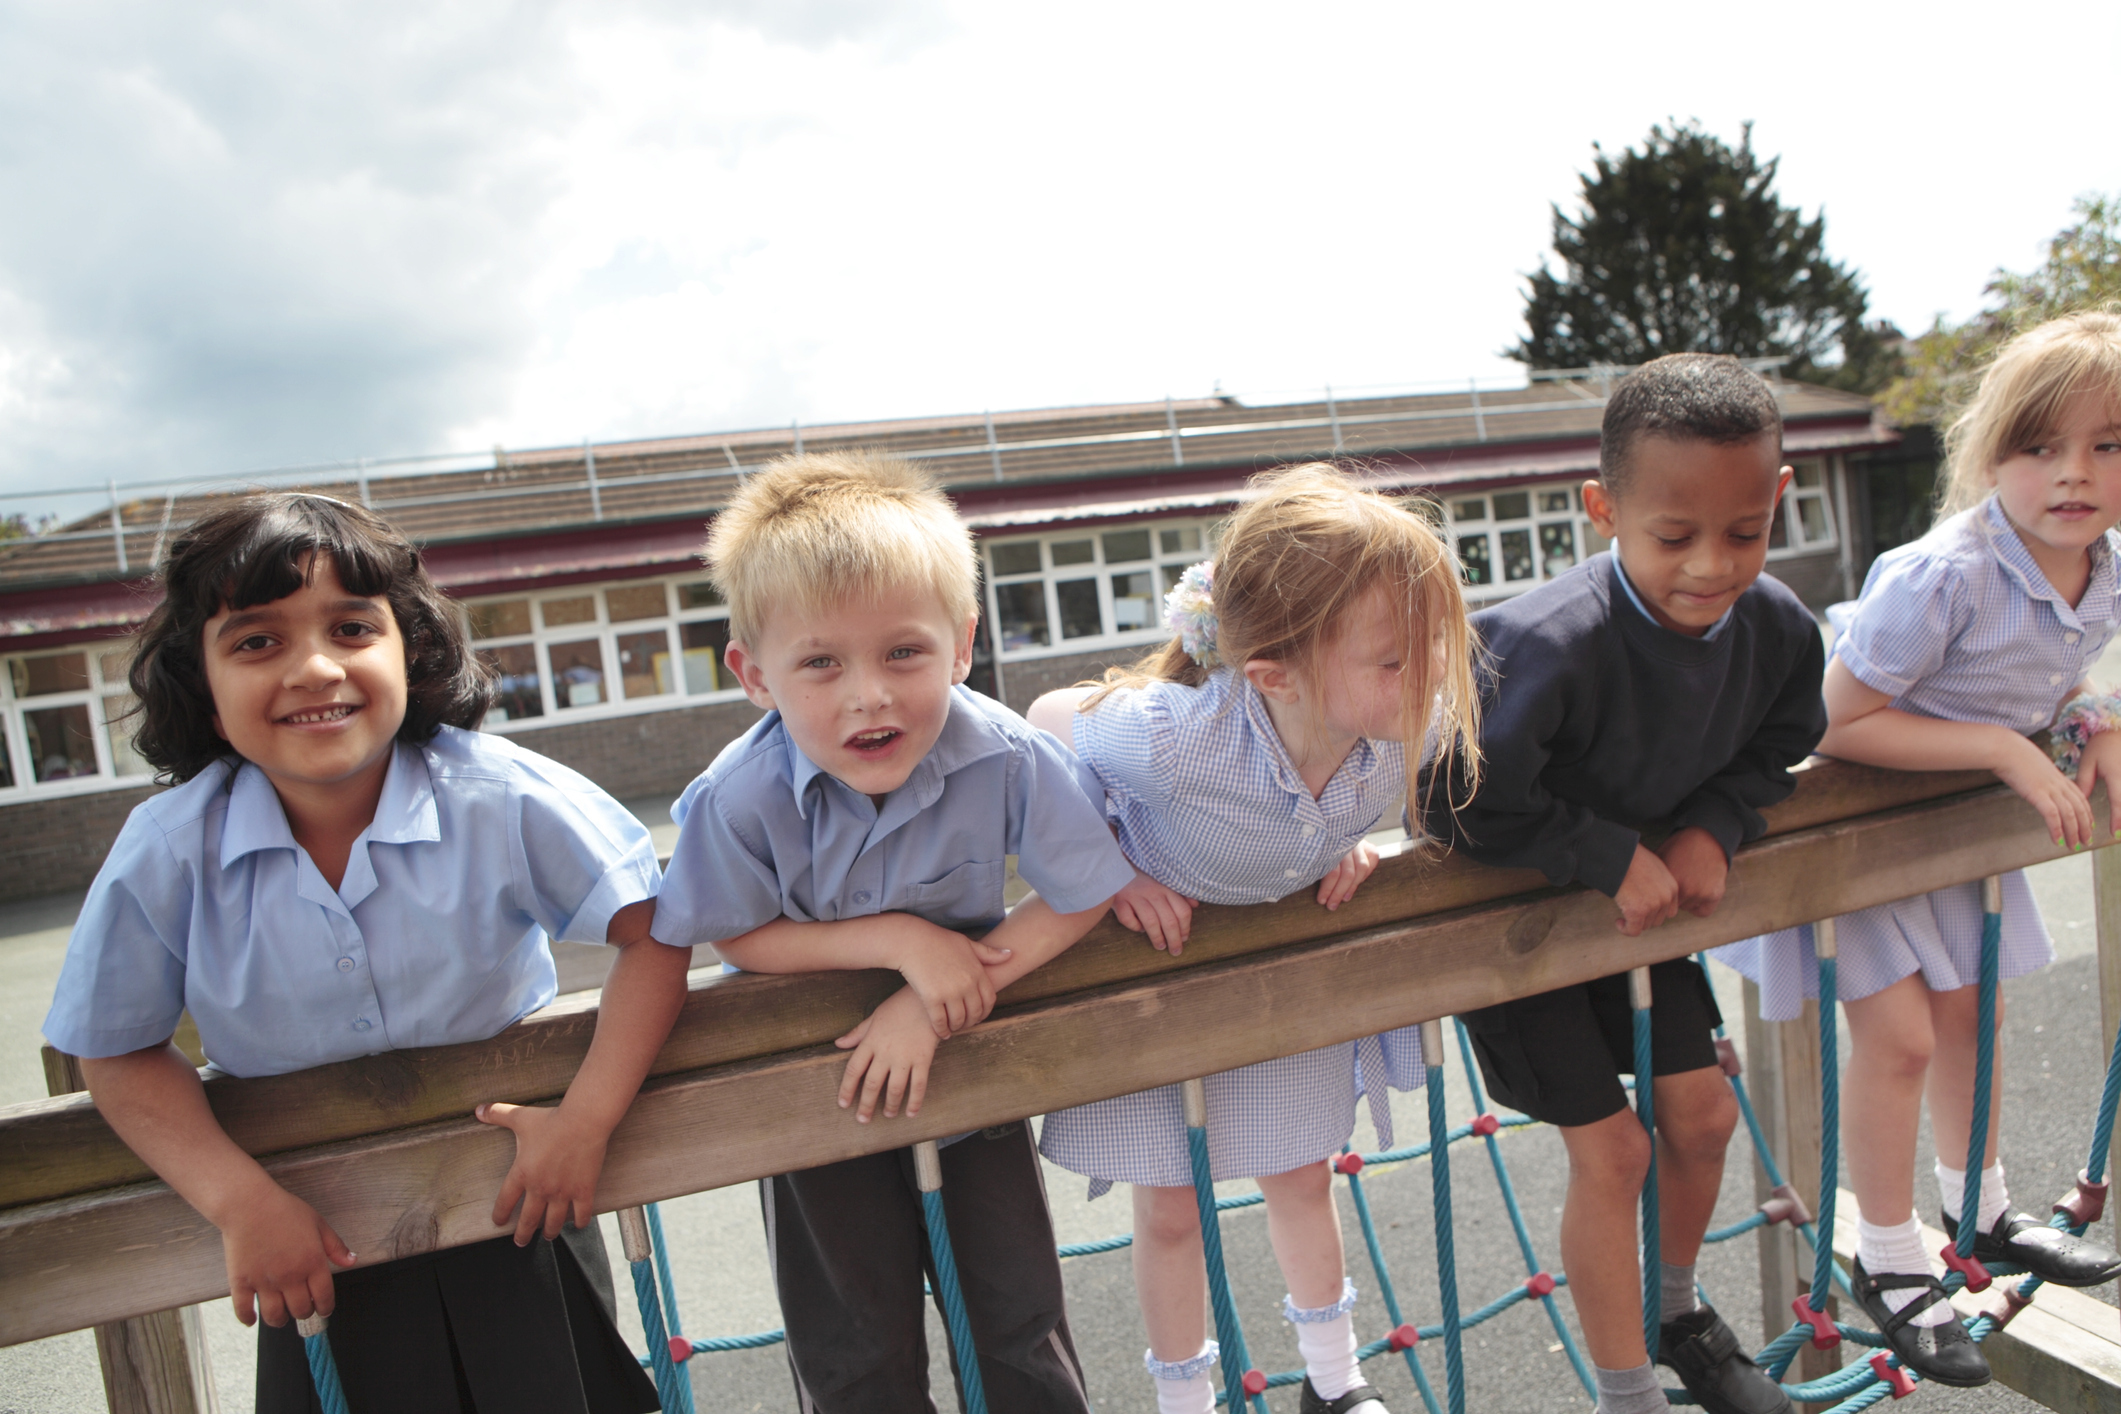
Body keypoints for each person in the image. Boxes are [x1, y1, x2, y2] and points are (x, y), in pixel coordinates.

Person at [41, 493, 689, 1414]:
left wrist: (583, 1122)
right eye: (256, 642)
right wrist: (240, 1203)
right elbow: (113, 1044)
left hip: (516, 1210)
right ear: (204, 687)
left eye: (350, 628)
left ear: (410, 649)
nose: (313, 668)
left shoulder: (497, 793)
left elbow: (655, 929)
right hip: (309, 1238)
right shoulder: (169, 848)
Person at [650, 450, 1136, 1413]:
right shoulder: (736, 798)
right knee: (853, 1348)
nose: (868, 694)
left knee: (1016, 1321)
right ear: (753, 674)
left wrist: (939, 997)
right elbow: (739, 937)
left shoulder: (1002, 754)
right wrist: (900, 942)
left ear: (960, 646)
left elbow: (1081, 892)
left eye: (902, 653)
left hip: (966, 1063)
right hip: (817, 1089)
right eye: (821, 663)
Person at [1717, 310, 2121, 1386]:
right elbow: (1830, 721)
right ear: (1994, 454)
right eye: (2041, 446)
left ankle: (1981, 1214)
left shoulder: (2108, 568)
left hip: (1948, 827)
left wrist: (2097, 720)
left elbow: (2054, 667)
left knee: (1970, 1020)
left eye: (2107, 445)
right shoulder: (1945, 572)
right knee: (1896, 1040)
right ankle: (1889, 1258)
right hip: (1856, 817)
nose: (2073, 474)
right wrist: (2000, 746)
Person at [1030, 465, 1481, 1414]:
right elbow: (1042, 721)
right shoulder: (1173, 738)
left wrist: (1354, 839)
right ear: (1272, 676)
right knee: (1172, 1203)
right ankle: (1182, 1400)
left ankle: (1333, 1381)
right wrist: (1110, 873)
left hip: (1266, 969)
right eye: (1398, 657)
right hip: (1160, 967)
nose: (1433, 672)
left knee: (1299, 1169)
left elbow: (1352, 787)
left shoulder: (1406, 720)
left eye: (1435, 642)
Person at [1424, 355, 1826, 1414]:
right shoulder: (1538, 643)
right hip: (1518, 936)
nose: (1712, 565)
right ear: (1604, 508)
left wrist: (1716, 822)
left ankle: (1677, 1314)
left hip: (1643, 923)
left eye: (1744, 531)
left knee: (1701, 1118)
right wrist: (1601, 851)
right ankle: (1623, 1394)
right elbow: (1445, 796)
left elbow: (1782, 744)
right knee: (1615, 1150)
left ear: (1777, 501)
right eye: (1673, 535)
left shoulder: (1778, 627)